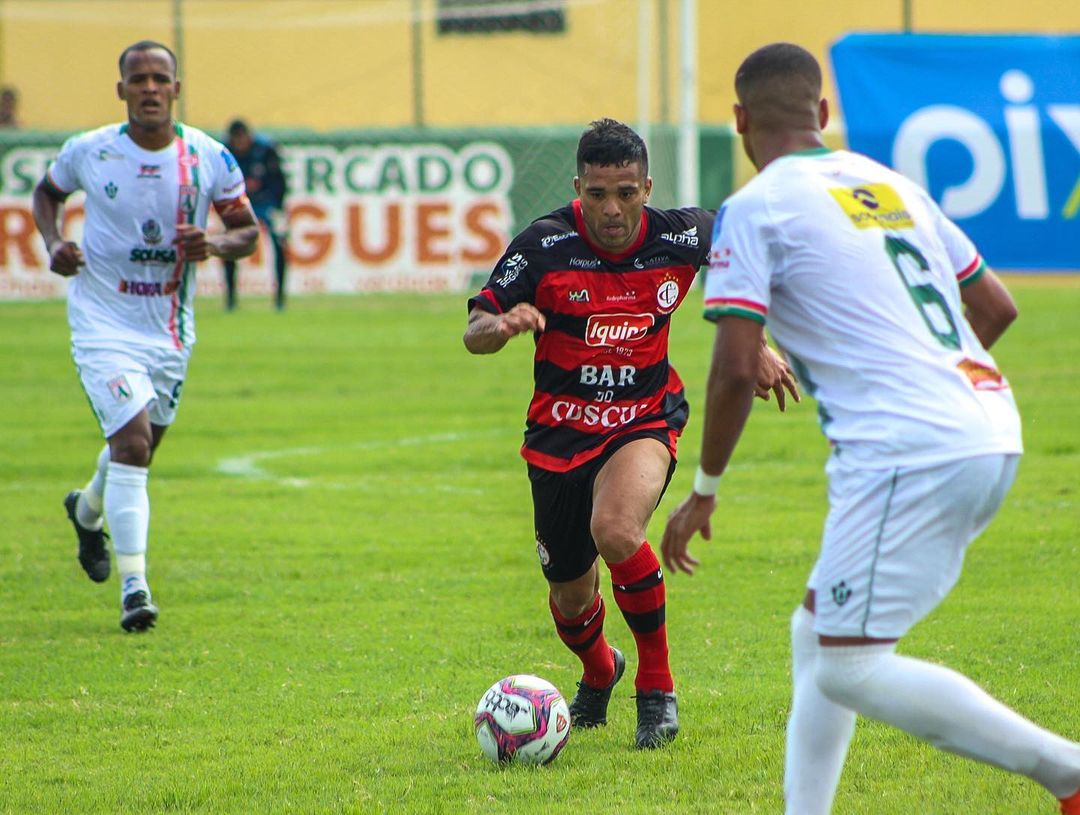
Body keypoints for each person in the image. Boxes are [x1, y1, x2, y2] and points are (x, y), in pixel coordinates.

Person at [660, 43, 1080, 813]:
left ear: (740, 122)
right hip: (989, 421)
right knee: (815, 632)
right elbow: (996, 308)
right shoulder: (892, 184)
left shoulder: (754, 208)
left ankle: (1067, 770)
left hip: (909, 448)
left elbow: (732, 365)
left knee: (850, 666)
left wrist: (704, 491)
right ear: (823, 116)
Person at [463, 118, 797, 749]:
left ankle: (657, 688)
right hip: (557, 438)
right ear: (577, 189)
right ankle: (601, 669)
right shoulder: (543, 245)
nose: (612, 210)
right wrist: (502, 324)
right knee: (568, 597)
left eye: (626, 193)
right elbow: (474, 329)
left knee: (616, 530)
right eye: (597, 195)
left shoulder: (686, 233)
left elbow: (748, 266)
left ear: (647, 185)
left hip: (643, 419)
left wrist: (757, 343)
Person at [32, 40, 258, 632]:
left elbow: (248, 233)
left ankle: (86, 512)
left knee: (140, 448)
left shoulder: (207, 156)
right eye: (140, 79)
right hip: (102, 321)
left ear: (176, 89)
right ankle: (136, 587)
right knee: (131, 445)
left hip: (169, 328)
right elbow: (46, 195)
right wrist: (54, 243)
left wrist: (214, 243)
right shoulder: (91, 150)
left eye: (161, 78)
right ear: (122, 89)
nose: (150, 88)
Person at [221, 119, 288, 311]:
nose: (240, 143)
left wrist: (278, 206)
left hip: (267, 203)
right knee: (230, 246)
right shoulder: (225, 153)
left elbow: (279, 180)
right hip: (239, 204)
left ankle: (280, 298)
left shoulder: (265, 149)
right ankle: (231, 299)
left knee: (279, 243)